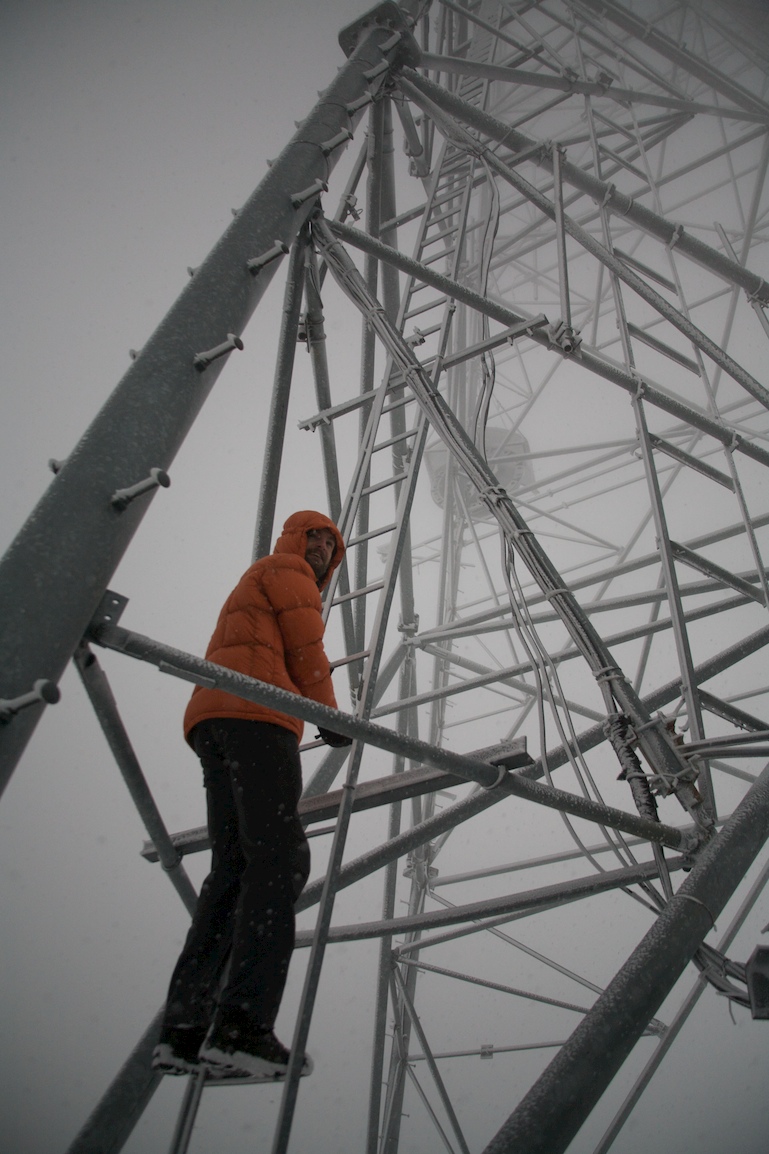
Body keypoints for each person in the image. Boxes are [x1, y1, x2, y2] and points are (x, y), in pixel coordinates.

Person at [153, 510, 349, 1081]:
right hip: (257, 715)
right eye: (313, 535)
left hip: (215, 720)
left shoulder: (263, 575)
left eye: (330, 542)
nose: (320, 546)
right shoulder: (288, 572)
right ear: (293, 539)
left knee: (233, 870)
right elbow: (306, 646)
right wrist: (330, 717)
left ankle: (184, 1032)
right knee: (279, 860)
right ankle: (242, 1028)